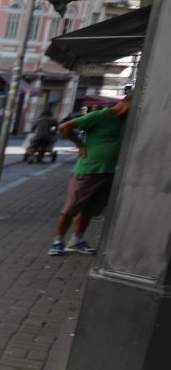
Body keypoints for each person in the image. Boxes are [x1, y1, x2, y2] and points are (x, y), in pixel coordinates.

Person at [48, 97, 131, 256]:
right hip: (88, 170)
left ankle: (76, 241)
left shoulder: (125, 121)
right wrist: (80, 145)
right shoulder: (99, 116)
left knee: (90, 210)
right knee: (71, 208)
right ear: (127, 103)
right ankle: (58, 241)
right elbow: (65, 126)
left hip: (109, 172)